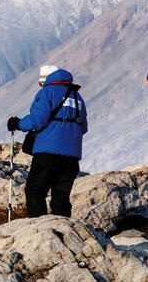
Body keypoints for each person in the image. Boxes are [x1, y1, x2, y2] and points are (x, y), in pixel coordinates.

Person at [7, 66, 88, 218]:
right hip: (72, 156)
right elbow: (83, 127)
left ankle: (41, 229)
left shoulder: (47, 92)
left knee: (35, 190)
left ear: (45, 80)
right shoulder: (77, 97)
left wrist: (18, 124)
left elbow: (37, 120)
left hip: (48, 153)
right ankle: (64, 230)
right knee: (60, 197)